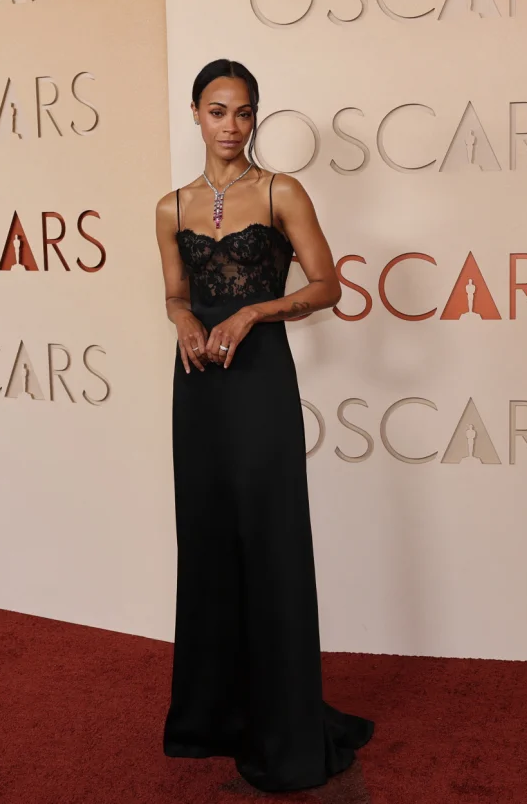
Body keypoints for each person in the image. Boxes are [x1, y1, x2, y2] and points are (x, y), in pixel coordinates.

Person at [154, 58, 374, 793]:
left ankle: (283, 721)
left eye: (243, 113)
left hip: (260, 382)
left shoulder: (282, 192)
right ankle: (213, 713)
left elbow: (327, 284)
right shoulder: (170, 206)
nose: (231, 126)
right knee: (209, 536)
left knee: (270, 536)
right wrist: (186, 322)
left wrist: (252, 312)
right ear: (195, 114)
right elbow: (175, 294)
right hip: (199, 388)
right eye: (217, 111)